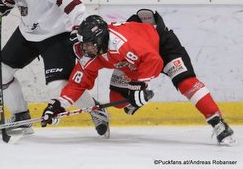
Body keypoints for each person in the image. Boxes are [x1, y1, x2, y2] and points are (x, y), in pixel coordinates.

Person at [42, 9, 236, 146]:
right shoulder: (93, 52)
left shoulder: (122, 45)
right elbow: (77, 84)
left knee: (185, 82)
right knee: (117, 101)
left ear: (100, 39)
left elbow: (155, 61)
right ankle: (135, 102)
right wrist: (57, 105)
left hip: (161, 46)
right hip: (131, 61)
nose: (86, 49)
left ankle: (218, 123)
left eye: (90, 44)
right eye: (84, 45)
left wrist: (139, 87)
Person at [0, 0, 109, 136]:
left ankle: (96, 110)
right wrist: (4, 0)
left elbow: (75, 4)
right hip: (28, 32)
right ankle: (21, 117)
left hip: (55, 33)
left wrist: (78, 30)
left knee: (59, 87)